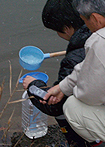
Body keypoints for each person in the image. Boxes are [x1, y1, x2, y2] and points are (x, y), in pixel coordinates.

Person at [42, 0, 105, 146]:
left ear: (96, 18)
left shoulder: (100, 40)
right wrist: (63, 87)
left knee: (73, 107)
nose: (86, 26)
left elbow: (91, 97)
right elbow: (88, 65)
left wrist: (73, 92)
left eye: (85, 20)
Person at [22, 0, 93, 146]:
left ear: (67, 28)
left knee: (64, 107)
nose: (58, 34)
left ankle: (80, 143)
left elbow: (54, 105)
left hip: (100, 123)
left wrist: (33, 86)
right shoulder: (101, 33)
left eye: (57, 30)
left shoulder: (74, 59)